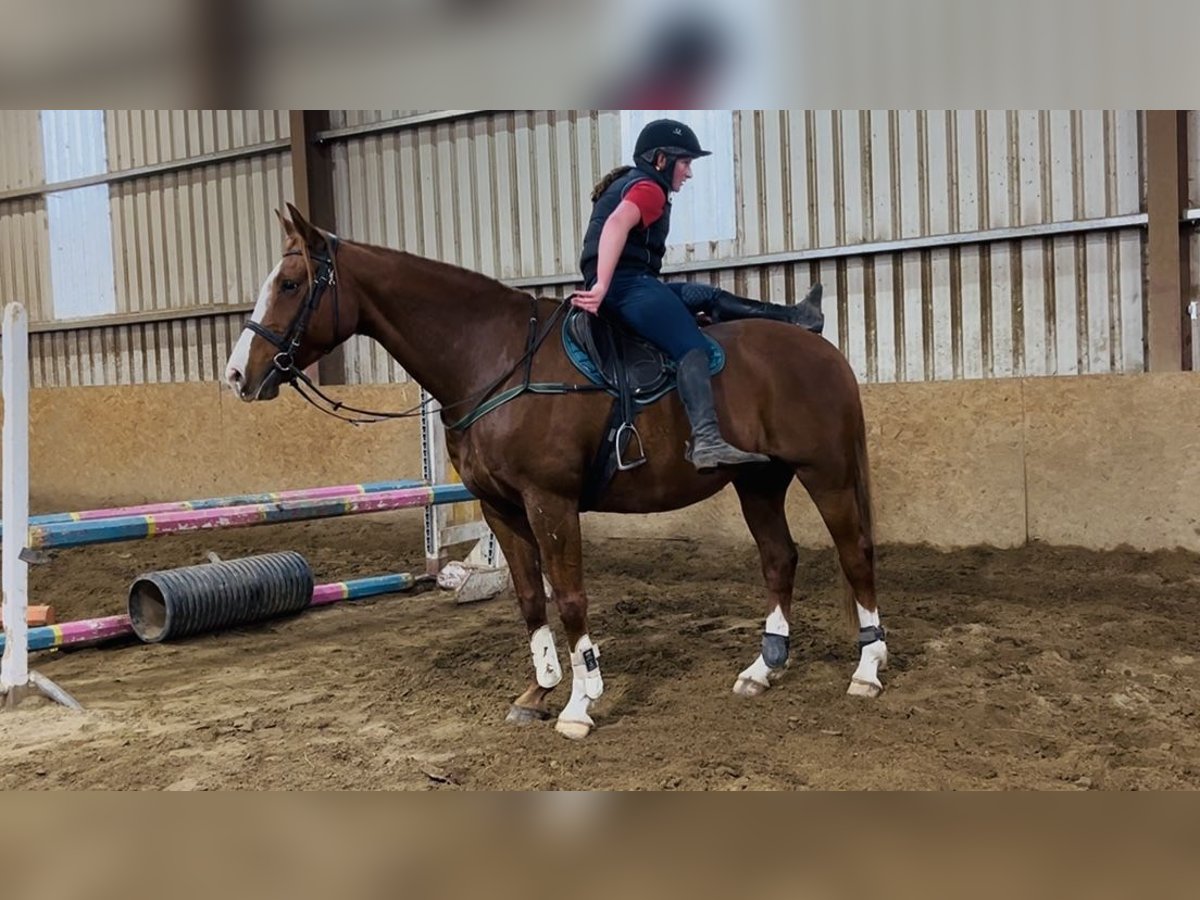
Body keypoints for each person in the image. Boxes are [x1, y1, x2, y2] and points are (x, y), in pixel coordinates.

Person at [574, 117, 821, 471]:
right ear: (662, 160)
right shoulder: (649, 189)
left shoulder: (632, 182)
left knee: (702, 296)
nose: (688, 173)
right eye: (685, 162)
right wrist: (600, 285)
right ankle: (706, 439)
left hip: (630, 282)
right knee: (692, 346)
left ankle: (796, 317)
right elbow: (615, 225)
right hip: (626, 286)